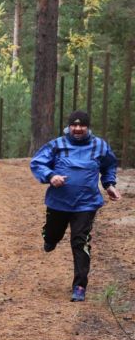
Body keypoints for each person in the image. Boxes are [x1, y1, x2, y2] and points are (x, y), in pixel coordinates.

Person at [30, 110, 121, 302]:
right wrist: (51, 176)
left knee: (80, 241)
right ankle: (50, 238)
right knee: (53, 234)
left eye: (82, 125)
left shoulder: (100, 146)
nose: (78, 128)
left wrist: (109, 185)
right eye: (74, 125)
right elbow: (37, 163)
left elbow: (109, 166)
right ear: (69, 126)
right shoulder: (57, 145)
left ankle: (79, 286)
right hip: (58, 203)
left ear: (88, 127)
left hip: (86, 204)